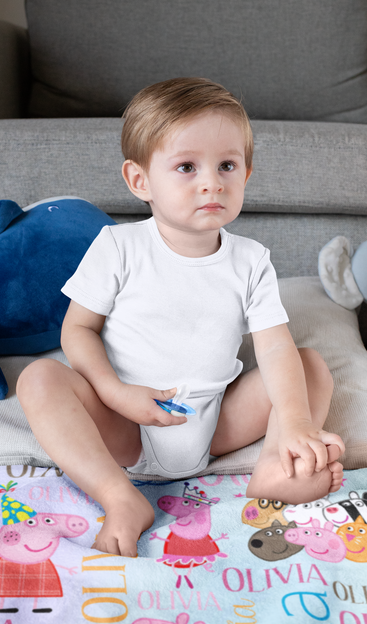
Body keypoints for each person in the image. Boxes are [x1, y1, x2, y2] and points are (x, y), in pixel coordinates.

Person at [17, 77, 345, 558]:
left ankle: (276, 466)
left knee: (308, 363)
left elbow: (273, 347)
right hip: (125, 425)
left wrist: (295, 421)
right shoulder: (119, 247)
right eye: (187, 167)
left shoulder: (251, 260)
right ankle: (119, 496)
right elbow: (78, 329)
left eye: (227, 165)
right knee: (39, 378)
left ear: (246, 175)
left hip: (214, 423)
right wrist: (116, 394)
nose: (212, 181)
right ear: (139, 180)